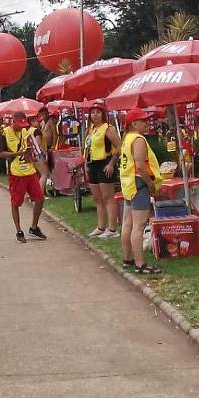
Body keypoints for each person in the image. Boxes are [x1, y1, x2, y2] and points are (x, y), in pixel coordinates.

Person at [119, 108, 162, 274]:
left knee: (127, 223)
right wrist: (150, 183)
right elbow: (140, 165)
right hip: (139, 184)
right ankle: (140, 264)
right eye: (143, 121)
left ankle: (127, 259)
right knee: (139, 225)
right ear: (134, 124)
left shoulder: (127, 139)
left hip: (128, 183)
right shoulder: (138, 139)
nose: (146, 123)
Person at [0, 111, 47, 243]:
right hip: (16, 173)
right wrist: (18, 153)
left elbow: (33, 148)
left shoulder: (27, 132)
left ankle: (34, 227)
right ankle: (19, 231)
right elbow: (0, 153)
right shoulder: (4, 133)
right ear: (13, 121)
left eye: (23, 124)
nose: (21, 127)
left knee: (40, 199)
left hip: (29, 171)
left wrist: (34, 153)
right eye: (19, 124)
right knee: (16, 203)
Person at [84, 100, 121, 239]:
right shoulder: (91, 129)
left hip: (105, 163)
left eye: (98, 112)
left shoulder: (108, 128)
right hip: (92, 164)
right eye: (92, 113)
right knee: (97, 198)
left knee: (108, 197)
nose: (95, 115)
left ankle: (112, 229)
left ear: (103, 114)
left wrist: (111, 163)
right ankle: (101, 226)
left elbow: (119, 146)